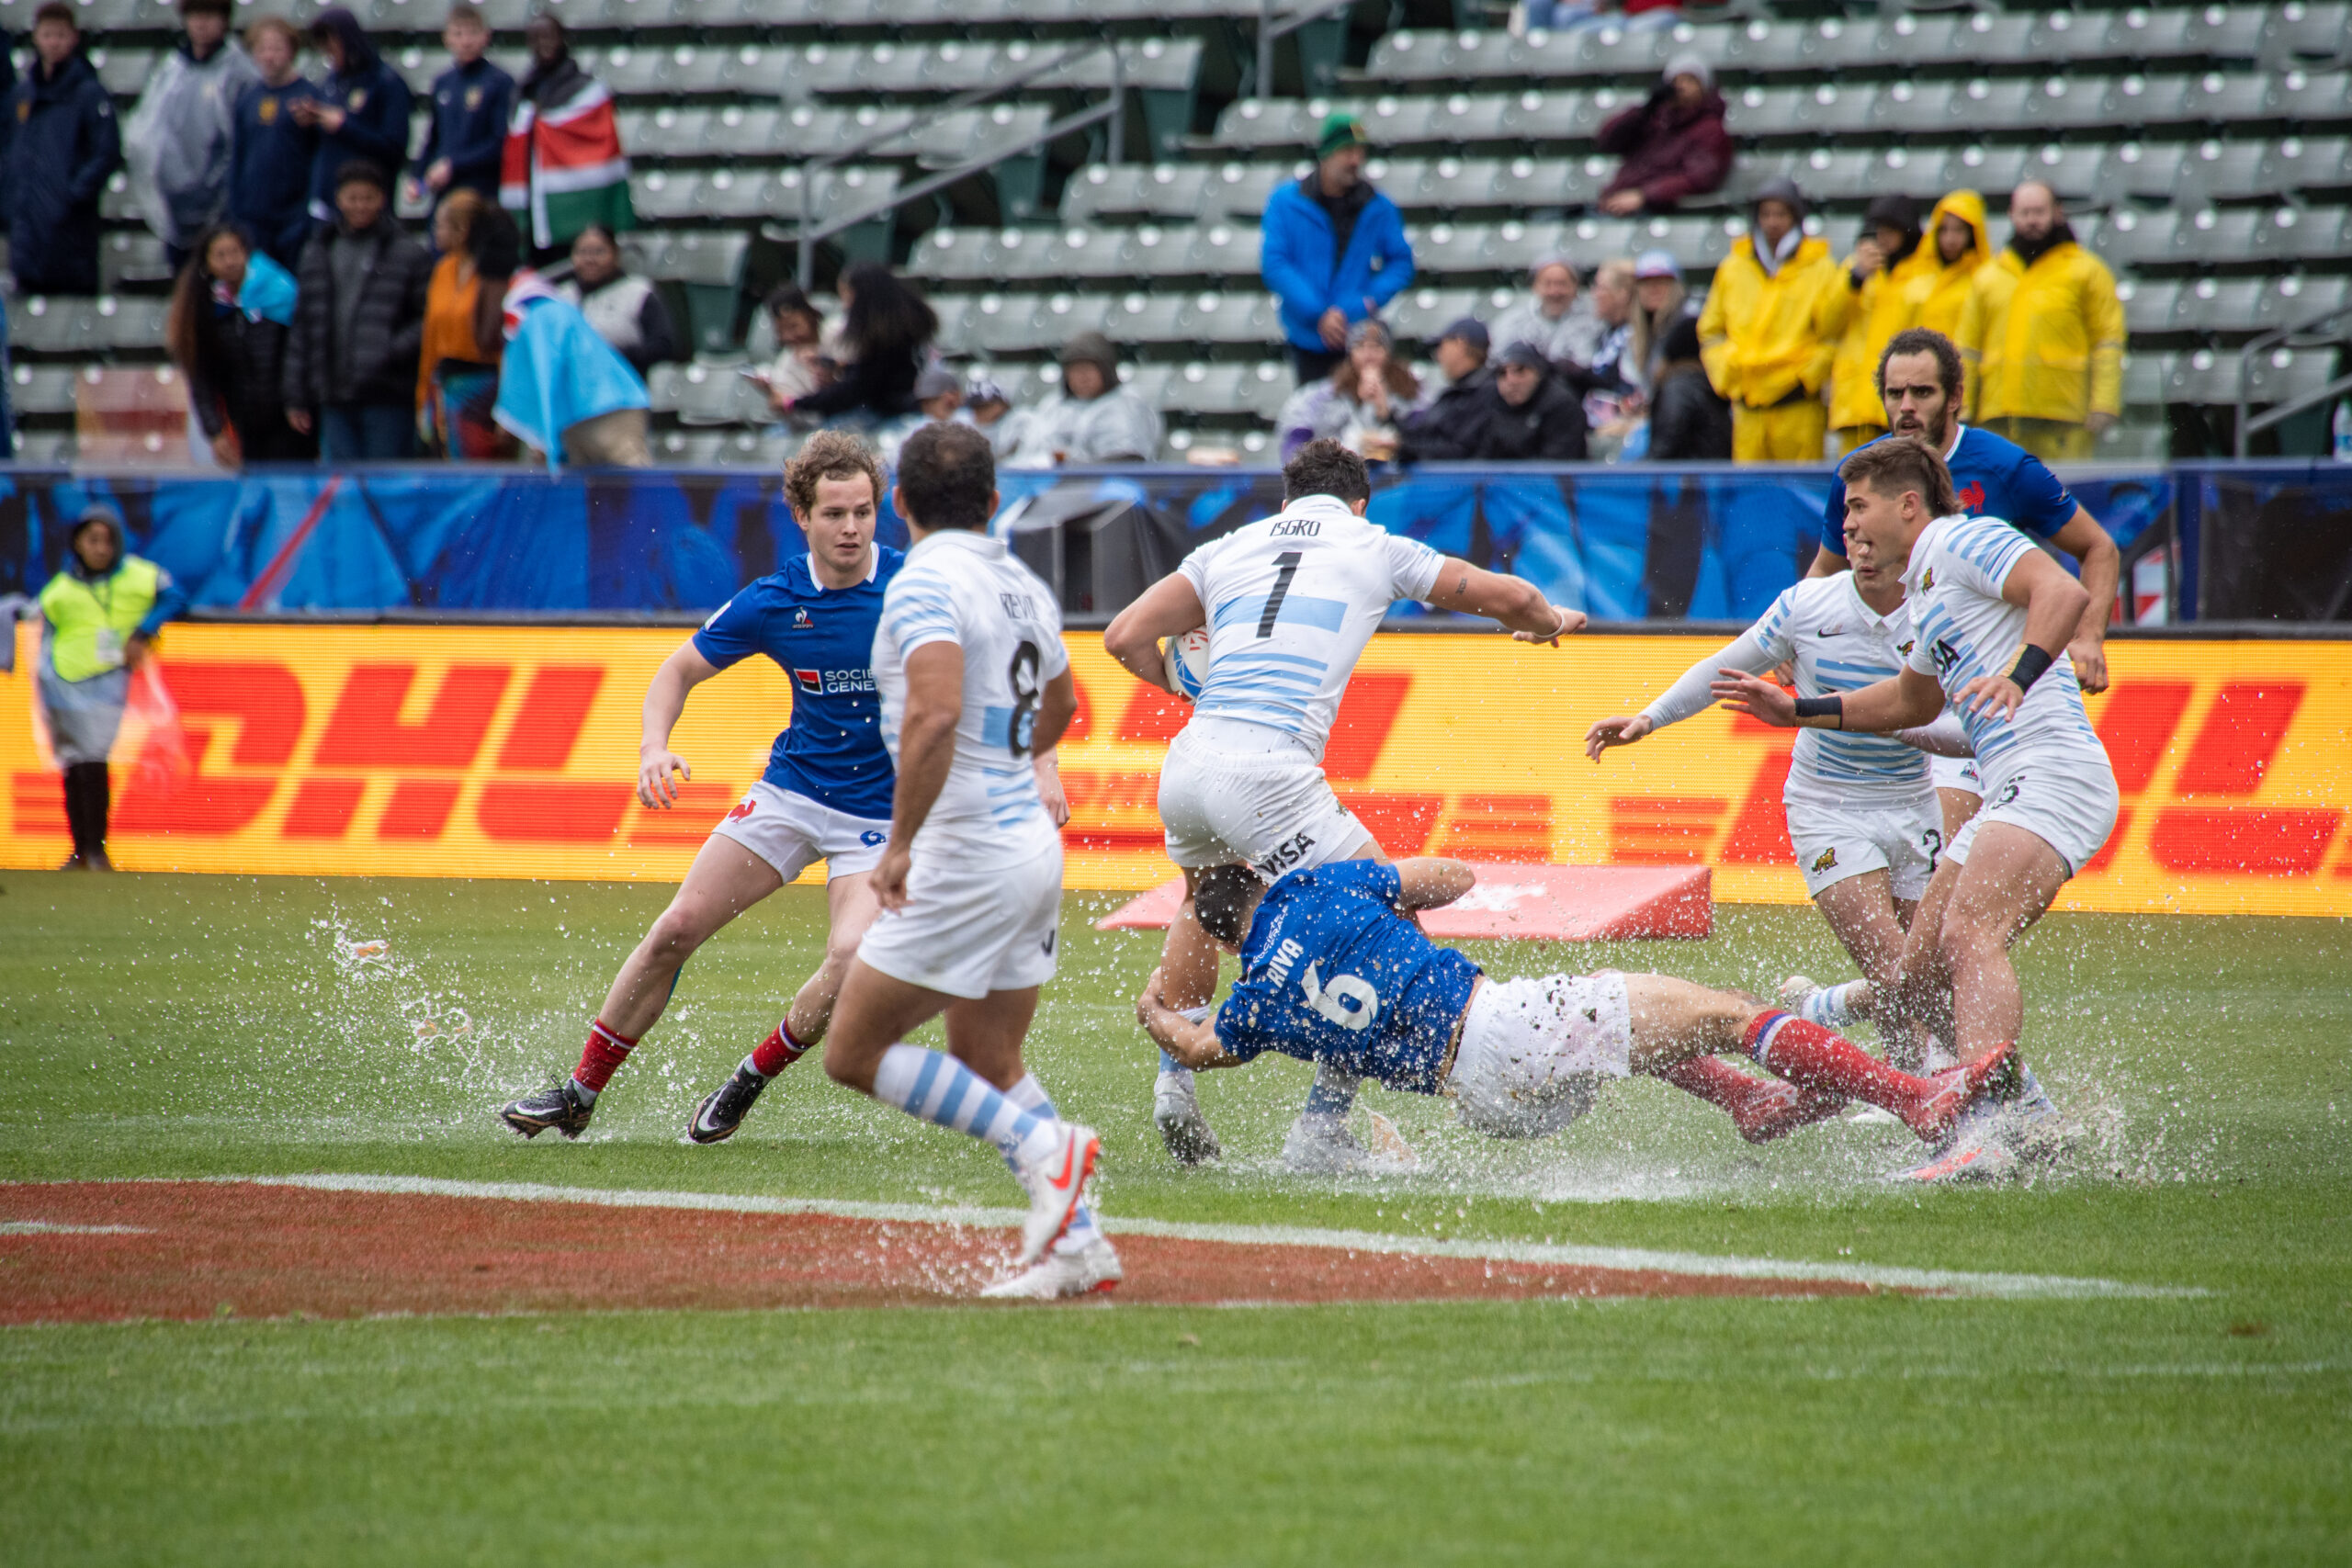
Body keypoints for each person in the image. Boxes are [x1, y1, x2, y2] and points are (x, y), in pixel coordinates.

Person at [1100, 439, 1583, 1170]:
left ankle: (1174, 1086)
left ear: (1286, 500)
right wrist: (1548, 623)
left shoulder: (1230, 546)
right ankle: (1321, 1129)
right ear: (1360, 502)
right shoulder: (1372, 543)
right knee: (1380, 928)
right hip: (1267, 772)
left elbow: (1122, 637)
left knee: (1205, 899)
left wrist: (1182, 687)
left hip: (1189, 764)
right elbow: (1511, 597)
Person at [1715, 436, 2108, 1181]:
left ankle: (1986, 1134)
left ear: (1908, 505)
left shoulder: (1965, 538)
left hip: (2053, 772)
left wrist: (2021, 676)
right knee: (1911, 977)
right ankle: (2032, 1116)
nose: (1848, 524)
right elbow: (1909, 701)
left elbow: (2064, 593)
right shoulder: (1925, 592)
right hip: (2012, 783)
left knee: (1968, 935)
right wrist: (1795, 707)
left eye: (1860, 507)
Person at [501, 434, 908, 1143]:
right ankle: (577, 1092)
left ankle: (749, 1078)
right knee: (676, 929)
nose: (851, 527)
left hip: (880, 815)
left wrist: (1039, 763)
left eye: (864, 512)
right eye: (835, 513)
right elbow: (675, 672)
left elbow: (1003, 670)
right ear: (802, 516)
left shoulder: (913, 589)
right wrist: (653, 747)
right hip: (793, 791)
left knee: (850, 959)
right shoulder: (775, 599)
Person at [1136, 858, 2018, 1159]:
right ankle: (1918, 1098)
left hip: (1485, 1105)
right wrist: (1387, 891)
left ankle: (1747, 1099)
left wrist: (1152, 1011)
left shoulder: (1251, 1000)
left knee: (1628, 1023)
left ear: (1219, 941)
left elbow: (1198, 1041)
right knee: (1726, 1011)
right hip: (1499, 1028)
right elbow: (1452, 877)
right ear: (1261, 878)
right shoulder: (1319, 887)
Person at [816, 421, 1117, 1300]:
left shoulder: (923, 582)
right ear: (993, 502)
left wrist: (901, 843)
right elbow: (1063, 703)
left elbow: (935, 712)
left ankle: (1046, 1148)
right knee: (988, 1055)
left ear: (899, 505)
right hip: (1029, 845)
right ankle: (1080, 1246)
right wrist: (1014, 761)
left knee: (854, 1051)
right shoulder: (1017, 579)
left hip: (966, 850)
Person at [1586, 519, 1971, 1073]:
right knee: (1892, 966)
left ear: (1911, 525)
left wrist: (1892, 722)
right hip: (1828, 807)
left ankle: (1855, 1032)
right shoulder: (1808, 606)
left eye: (1870, 528)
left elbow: (1970, 733)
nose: (1858, 545)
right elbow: (1726, 667)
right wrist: (1650, 718)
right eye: (1850, 529)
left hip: (1914, 802)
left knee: (1925, 972)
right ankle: (1987, 1096)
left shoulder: (1941, 610)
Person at [1806, 329, 2119, 698]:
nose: (1906, 406)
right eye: (1895, 394)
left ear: (1955, 397)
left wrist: (2089, 637)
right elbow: (1827, 570)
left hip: (1993, 676)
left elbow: (2099, 548)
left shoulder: (2006, 467)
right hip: (1902, 677)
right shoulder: (1858, 473)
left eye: (1922, 392)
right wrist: (1795, 634)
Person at [36, 511, 188, 871]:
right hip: (64, 681)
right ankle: (81, 849)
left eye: (107, 540)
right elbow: (42, 627)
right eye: (93, 540)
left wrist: (143, 632)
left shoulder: (138, 575)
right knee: (74, 766)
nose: (102, 549)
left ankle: (95, 848)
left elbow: (176, 597)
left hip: (107, 681)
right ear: (77, 543)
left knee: (92, 761)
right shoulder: (61, 587)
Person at [1956, 180, 2125, 464]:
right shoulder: (1988, 277)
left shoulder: (2087, 272)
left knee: (2065, 500)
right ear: (2011, 215)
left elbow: (2107, 341)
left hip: (2065, 419)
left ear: (2057, 213)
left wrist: (2104, 403)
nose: (2032, 220)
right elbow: (1967, 349)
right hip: (2000, 418)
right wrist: (1961, 408)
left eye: (2039, 212)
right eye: (2024, 213)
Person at [284, 160, 433, 461]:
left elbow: (427, 319)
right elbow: (303, 327)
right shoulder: (318, 251)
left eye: (368, 198)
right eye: (353, 198)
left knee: (386, 490)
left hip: (388, 395)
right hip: (333, 394)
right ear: (339, 199)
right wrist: (295, 395)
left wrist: (390, 349)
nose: (360, 206)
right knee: (342, 490)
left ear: (382, 198)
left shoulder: (408, 253)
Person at [1698, 178, 1849, 464]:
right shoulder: (1733, 267)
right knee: (1751, 495)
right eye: (1766, 214)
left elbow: (1833, 332)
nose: (1773, 222)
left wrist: (1807, 378)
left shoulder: (1821, 268)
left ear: (1795, 217)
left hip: (1798, 403)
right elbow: (1711, 330)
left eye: (1781, 214)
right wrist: (1727, 373)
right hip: (1748, 404)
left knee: (1800, 492)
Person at [1261, 113, 1414, 384]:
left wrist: (1365, 302)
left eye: (1360, 152)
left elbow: (1401, 262)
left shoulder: (1377, 206)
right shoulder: (1286, 202)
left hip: (1357, 334)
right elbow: (1275, 263)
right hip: (1306, 334)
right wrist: (1318, 312)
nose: (1355, 160)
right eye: (1346, 151)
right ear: (1326, 154)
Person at [123, 0, 258, 274]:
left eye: (209, 15)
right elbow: (145, 132)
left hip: (223, 206)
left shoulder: (240, 74)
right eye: (195, 16)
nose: (201, 23)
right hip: (175, 204)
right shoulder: (171, 70)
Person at [166, 223, 311, 467]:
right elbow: (201, 375)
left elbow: (298, 352)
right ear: (207, 264)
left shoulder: (278, 294)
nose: (229, 261)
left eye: (234, 252)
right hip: (243, 421)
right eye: (220, 255)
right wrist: (215, 430)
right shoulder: (205, 310)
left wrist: (296, 400)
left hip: (287, 418)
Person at [3, 4, 122, 298]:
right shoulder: (23, 94)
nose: (53, 42)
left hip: (70, 232)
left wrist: (71, 196)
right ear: (35, 38)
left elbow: (106, 152)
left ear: (73, 39)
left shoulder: (89, 93)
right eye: (47, 35)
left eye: (60, 35)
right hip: (26, 231)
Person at [500, 12, 633, 255]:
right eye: (537, 38)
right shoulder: (521, 92)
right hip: (533, 219)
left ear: (563, 39)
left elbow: (603, 148)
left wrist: (547, 128)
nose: (544, 44)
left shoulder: (589, 91)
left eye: (550, 36)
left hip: (579, 217)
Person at [492, 271, 651, 468]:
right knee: (627, 485)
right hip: (614, 405)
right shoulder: (562, 311)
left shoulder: (537, 320)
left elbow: (546, 377)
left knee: (618, 486)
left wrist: (544, 439)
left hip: (599, 413)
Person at [1828, 195, 1935, 455]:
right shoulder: (1854, 271)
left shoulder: (1925, 275)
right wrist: (1855, 279)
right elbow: (1827, 323)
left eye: (1892, 229)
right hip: (1854, 406)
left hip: (1900, 407)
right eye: (1879, 230)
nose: (1884, 237)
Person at [415, 191, 514, 458]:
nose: (435, 232)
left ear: (463, 229)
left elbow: (506, 343)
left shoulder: (494, 274)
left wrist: (509, 405)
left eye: (442, 225)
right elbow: (431, 339)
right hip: (445, 385)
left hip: (485, 389)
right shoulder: (443, 270)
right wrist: (423, 396)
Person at [294, 10, 413, 230]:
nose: (329, 55)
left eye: (332, 47)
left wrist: (344, 126)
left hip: (369, 205)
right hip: (327, 199)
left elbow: (395, 147)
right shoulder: (331, 82)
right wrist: (311, 122)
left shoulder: (386, 82)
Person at [780, 263, 936, 428]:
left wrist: (796, 403)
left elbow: (858, 388)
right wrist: (841, 367)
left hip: (893, 414)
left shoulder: (887, 337)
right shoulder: (902, 326)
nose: (845, 306)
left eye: (847, 297)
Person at [227, 17, 321, 272]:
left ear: (292, 50)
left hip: (294, 214)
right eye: (262, 49)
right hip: (254, 216)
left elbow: (319, 154)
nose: (269, 56)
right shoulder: (248, 98)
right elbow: (238, 155)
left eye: (277, 48)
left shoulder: (310, 96)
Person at [1596, 52, 1730, 217]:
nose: (1681, 86)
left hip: (1660, 210)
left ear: (1704, 88)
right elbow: (1606, 141)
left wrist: (1644, 195)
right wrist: (1646, 108)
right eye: (1675, 81)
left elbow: (1699, 178)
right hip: (1617, 204)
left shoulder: (1710, 130)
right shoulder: (1653, 119)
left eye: (1690, 80)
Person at [410, 4, 513, 217]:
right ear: (447, 38)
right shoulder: (442, 82)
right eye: (458, 34)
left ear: (486, 36)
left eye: (473, 33)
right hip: (445, 193)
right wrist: (418, 176)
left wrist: (454, 165)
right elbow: (434, 137)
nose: (466, 41)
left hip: (482, 191)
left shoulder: (499, 82)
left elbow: (500, 142)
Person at [1273, 319, 1425, 462]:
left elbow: (1425, 442)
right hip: (1337, 476)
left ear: (1389, 352)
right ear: (1350, 353)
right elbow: (1293, 444)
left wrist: (1385, 412)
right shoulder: (1321, 395)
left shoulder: (1414, 391)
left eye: (1376, 346)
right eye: (1360, 346)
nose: (1368, 354)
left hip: (1400, 477)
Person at [1003, 332, 1163, 467]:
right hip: (1050, 488)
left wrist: (1073, 463)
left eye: (1088, 370)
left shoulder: (1128, 404)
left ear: (1106, 371)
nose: (1082, 378)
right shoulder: (1052, 405)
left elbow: (1129, 460)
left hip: (1110, 489)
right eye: (1075, 371)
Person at [553, 223, 677, 377]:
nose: (590, 260)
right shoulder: (561, 296)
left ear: (615, 255)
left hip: (626, 382)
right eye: (582, 252)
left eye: (599, 252)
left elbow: (662, 346)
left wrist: (612, 354)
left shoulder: (639, 292)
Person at [1394, 318, 1494, 463]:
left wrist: (1405, 448)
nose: (1439, 356)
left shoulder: (1488, 392)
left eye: (1442, 346)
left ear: (1460, 344)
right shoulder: (1453, 393)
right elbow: (1420, 432)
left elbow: (1460, 450)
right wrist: (1387, 415)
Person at [1487, 254, 1601, 372]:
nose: (1555, 292)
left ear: (1575, 286)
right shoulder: (1511, 322)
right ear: (1535, 286)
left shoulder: (1596, 322)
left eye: (1562, 284)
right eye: (1548, 284)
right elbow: (1497, 362)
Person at [1640, 316, 1729, 461]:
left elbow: (1663, 449)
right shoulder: (1706, 384)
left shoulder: (1679, 390)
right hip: (1710, 475)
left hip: (1690, 480)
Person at [1481, 341, 1589, 461]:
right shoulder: (1488, 403)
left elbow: (1557, 465)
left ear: (1538, 372)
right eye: (1502, 373)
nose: (1511, 381)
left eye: (1520, 370)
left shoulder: (1562, 406)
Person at [1918, 189, 1990, 339]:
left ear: (1973, 234)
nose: (1950, 239)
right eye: (1943, 229)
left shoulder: (1982, 279)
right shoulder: (1917, 274)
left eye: (1959, 230)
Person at [752, 283, 829, 412]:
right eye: (781, 331)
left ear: (810, 316)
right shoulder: (785, 364)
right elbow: (801, 419)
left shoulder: (835, 336)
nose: (789, 336)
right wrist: (772, 393)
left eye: (794, 326)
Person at [1623, 249, 1690, 395]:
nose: (1653, 289)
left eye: (1661, 282)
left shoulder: (1689, 327)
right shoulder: (1636, 333)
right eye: (1646, 283)